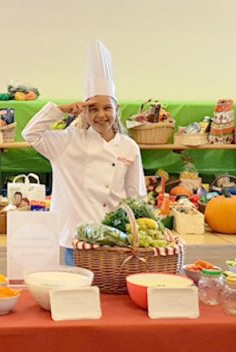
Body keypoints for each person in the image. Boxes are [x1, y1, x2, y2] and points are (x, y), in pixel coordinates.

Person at [22, 39, 146, 266]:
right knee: (79, 294)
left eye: (107, 108)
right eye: (93, 109)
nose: (101, 115)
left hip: (115, 239)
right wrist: (62, 110)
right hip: (77, 239)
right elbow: (31, 134)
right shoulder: (68, 142)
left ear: (117, 110)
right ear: (84, 113)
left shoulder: (129, 147)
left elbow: (136, 194)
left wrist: (142, 232)